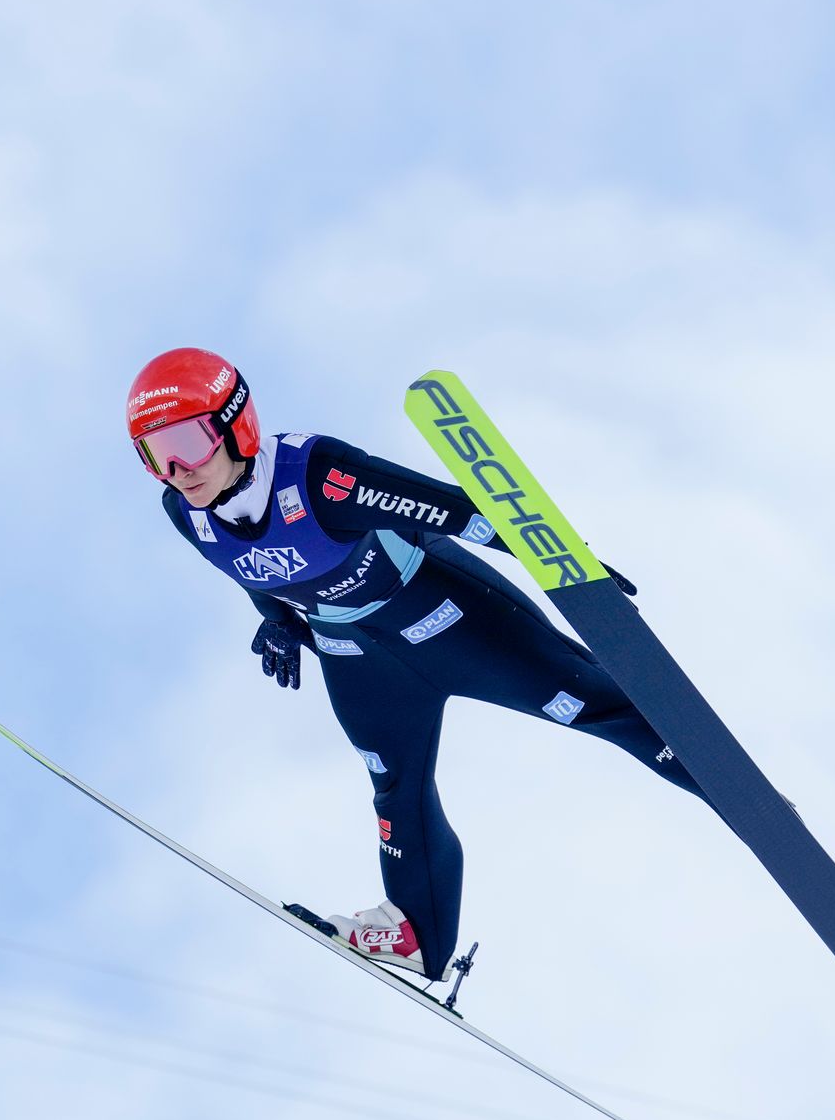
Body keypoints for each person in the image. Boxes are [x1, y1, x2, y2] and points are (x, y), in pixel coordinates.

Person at [128, 347, 712, 981]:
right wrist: (276, 622)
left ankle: (725, 786)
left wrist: (571, 568)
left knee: (589, 704)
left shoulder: (316, 477)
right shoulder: (185, 513)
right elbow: (251, 570)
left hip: (447, 616)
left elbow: (458, 510)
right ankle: (418, 935)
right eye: (156, 453)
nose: (178, 469)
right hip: (358, 658)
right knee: (396, 789)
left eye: (188, 440)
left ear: (234, 422)